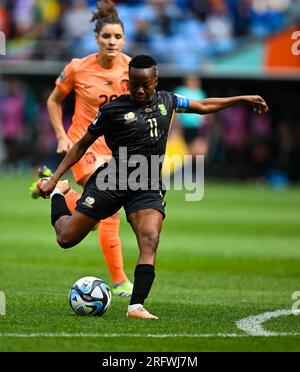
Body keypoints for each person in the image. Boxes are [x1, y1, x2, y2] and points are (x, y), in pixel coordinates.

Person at [37, 55, 269, 319]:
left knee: (150, 239)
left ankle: (136, 306)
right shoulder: (113, 110)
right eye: (134, 84)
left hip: (147, 183)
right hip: (112, 179)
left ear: (155, 82)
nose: (139, 90)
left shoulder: (168, 101)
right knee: (66, 239)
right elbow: (81, 144)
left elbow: (202, 105)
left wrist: (240, 99)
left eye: (145, 85)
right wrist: (55, 179)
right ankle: (60, 194)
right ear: (128, 82)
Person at [30, 0, 133, 296]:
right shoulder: (78, 68)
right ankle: (120, 282)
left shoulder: (132, 70)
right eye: (106, 37)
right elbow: (53, 101)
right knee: (110, 207)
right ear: (96, 39)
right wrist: (62, 136)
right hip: (84, 145)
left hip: (118, 150)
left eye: (117, 37)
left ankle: (58, 189)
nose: (111, 42)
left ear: (123, 40)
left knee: (89, 221)